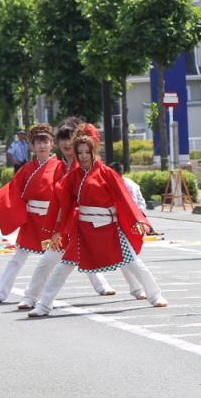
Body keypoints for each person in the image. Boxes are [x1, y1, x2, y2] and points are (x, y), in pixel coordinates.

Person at [29, 134, 167, 317]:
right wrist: (57, 231)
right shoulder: (73, 177)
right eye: (80, 152)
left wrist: (139, 220)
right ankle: (44, 305)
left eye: (87, 152)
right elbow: (63, 204)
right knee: (62, 267)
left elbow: (124, 199)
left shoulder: (107, 173)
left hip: (110, 229)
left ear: (94, 152)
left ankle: (155, 295)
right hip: (83, 231)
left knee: (134, 264)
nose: (84, 156)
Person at [10, 120, 118, 307]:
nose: (67, 143)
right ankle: (31, 297)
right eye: (62, 139)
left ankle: (141, 289)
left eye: (70, 139)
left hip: (85, 221)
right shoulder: (59, 167)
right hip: (66, 224)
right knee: (50, 262)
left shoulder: (85, 164)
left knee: (124, 254)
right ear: (57, 143)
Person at [0, 124, 68, 305]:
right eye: (37, 142)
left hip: (52, 221)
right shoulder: (26, 170)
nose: (42, 146)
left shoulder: (62, 167)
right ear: (31, 146)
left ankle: (100, 285)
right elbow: (8, 193)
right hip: (31, 221)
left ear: (52, 144)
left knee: (70, 256)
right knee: (17, 259)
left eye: (45, 141)